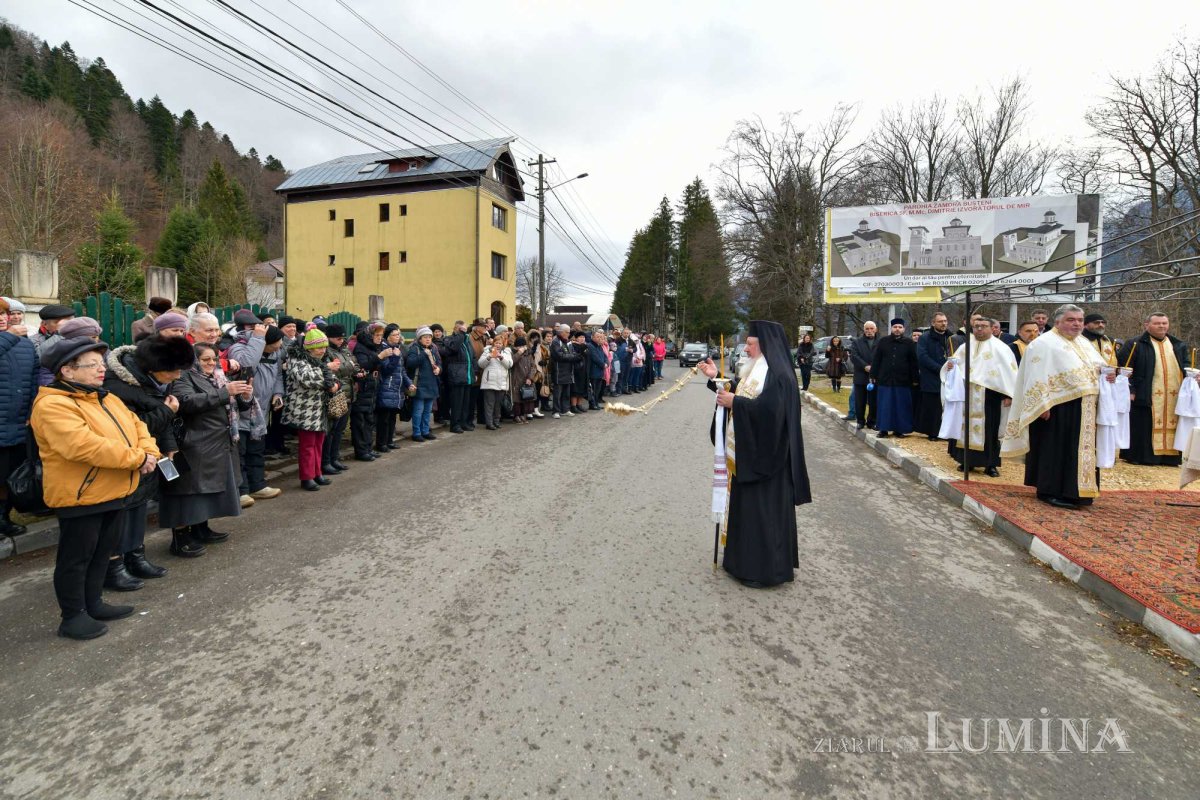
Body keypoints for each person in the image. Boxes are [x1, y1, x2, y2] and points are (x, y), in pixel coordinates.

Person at [32, 336, 159, 639]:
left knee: (102, 553)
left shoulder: (105, 397)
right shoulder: (52, 404)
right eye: (92, 365)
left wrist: (149, 452)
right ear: (67, 371)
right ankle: (72, 616)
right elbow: (84, 447)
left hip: (114, 490)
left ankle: (94, 603)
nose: (101, 370)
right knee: (75, 559)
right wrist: (137, 458)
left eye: (101, 363)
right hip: (81, 495)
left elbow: (138, 426)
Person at [700, 320, 812, 588]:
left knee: (764, 516)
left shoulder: (780, 375)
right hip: (750, 456)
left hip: (768, 461)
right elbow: (741, 390)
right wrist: (717, 378)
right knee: (745, 512)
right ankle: (741, 562)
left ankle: (764, 571)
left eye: (750, 344)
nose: (746, 349)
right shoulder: (758, 369)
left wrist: (735, 402)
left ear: (765, 345)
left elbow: (770, 414)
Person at [102, 334, 194, 588]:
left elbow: (160, 417)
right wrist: (167, 411)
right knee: (122, 512)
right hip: (127, 457)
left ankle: (136, 555)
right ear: (155, 368)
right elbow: (132, 428)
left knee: (138, 507)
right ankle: (114, 565)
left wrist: (169, 447)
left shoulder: (151, 381)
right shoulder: (118, 386)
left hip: (150, 455)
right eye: (174, 371)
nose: (177, 377)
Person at [1001, 304, 1110, 509]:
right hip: (1055, 407)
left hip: (1084, 406)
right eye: (1071, 320)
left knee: (1076, 451)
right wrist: (1041, 405)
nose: (1076, 324)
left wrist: (1110, 373)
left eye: (1079, 320)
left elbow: (1097, 366)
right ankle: (1049, 490)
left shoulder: (1084, 342)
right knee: (1055, 448)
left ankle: (1078, 492)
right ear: (1058, 321)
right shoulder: (1044, 344)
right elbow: (1035, 376)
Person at [161, 342, 250, 555]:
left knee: (207, 492)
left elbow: (232, 405)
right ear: (194, 360)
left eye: (214, 359)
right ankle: (180, 539)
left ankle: (201, 528)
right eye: (205, 359)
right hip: (195, 443)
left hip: (215, 442)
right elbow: (186, 402)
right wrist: (224, 392)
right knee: (188, 493)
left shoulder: (216, 376)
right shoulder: (183, 376)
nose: (211, 363)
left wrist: (245, 395)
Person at [940, 317, 1018, 477]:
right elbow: (954, 367)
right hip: (966, 395)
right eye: (976, 327)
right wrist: (949, 367)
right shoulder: (964, 347)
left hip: (990, 397)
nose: (979, 329)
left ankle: (991, 464)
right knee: (964, 428)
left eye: (983, 326)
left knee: (990, 430)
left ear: (992, 328)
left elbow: (1009, 373)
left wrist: (1008, 393)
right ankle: (966, 461)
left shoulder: (1001, 348)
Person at [226, 311, 286, 501]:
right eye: (277, 343)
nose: (280, 346)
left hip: (261, 409)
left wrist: (278, 393)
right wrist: (258, 340)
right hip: (242, 408)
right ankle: (241, 490)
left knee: (256, 449)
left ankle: (258, 485)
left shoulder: (274, 353)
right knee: (241, 452)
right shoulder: (239, 348)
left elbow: (277, 375)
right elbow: (246, 365)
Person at [1117, 312, 1189, 466]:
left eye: (1164, 323)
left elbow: (1187, 366)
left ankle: (1170, 458)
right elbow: (1124, 368)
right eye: (1157, 323)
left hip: (1174, 395)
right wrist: (1131, 390)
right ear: (1147, 325)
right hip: (1145, 393)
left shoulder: (1178, 345)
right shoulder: (1134, 343)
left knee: (1174, 422)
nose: (1162, 326)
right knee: (1143, 425)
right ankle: (1142, 457)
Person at [283, 327, 341, 490]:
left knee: (318, 442)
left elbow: (336, 378)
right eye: (319, 347)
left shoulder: (320, 360)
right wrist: (329, 376)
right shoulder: (297, 359)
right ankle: (306, 477)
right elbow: (307, 379)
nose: (322, 350)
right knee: (307, 445)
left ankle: (317, 473)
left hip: (320, 408)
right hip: (305, 409)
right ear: (309, 348)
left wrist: (335, 384)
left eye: (324, 346)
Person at [0, 297, 38, 538]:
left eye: (5, 313)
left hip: (18, 422)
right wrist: (10, 336)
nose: (4, 318)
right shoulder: (11, 338)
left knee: (9, 475)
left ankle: (4, 518)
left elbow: (33, 378)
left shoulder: (24, 344)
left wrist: (32, 408)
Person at [870, 319, 918, 438]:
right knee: (884, 406)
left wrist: (915, 378)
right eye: (895, 327)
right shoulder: (883, 341)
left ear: (904, 329)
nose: (897, 329)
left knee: (901, 406)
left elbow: (913, 362)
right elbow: (877, 359)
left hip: (903, 380)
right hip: (885, 379)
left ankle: (899, 429)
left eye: (900, 327)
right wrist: (873, 374)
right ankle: (883, 429)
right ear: (891, 328)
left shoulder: (909, 343)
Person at [322, 324, 359, 470]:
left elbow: (355, 365)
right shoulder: (326, 351)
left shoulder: (344, 349)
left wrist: (347, 366)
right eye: (338, 337)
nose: (341, 340)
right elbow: (333, 371)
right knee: (330, 430)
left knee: (340, 430)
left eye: (343, 337)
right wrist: (348, 366)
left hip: (348, 393)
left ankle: (334, 458)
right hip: (336, 394)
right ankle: (326, 461)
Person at [351, 322, 387, 459]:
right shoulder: (361, 348)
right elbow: (363, 366)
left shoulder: (374, 347)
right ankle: (361, 451)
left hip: (372, 387)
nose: (380, 338)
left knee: (369, 420)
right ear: (369, 335)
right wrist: (379, 357)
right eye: (377, 335)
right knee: (360, 421)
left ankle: (368, 448)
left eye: (381, 335)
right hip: (363, 388)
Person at [916, 312, 953, 440]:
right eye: (940, 321)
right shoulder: (925, 338)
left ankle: (946, 432)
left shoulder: (951, 337)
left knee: (947, 407)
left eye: (945, 321)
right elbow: (922, 357)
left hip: (949, 378)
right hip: (931, 377)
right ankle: (933, 432)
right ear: (933, 323)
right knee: (932, 407)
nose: (943, 323)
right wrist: (940, 369)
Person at [375, 326, 412, 451]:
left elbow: (401, 370)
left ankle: (389, 441)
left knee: (392, 418)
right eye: (395, 334)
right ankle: (381, 443)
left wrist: (408, 383)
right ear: (388, 336)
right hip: (387, 387)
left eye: (398, 334)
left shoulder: (397, 349)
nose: (398, 337)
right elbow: (386, 370)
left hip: (396, 388)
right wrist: (395, 357)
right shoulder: (385, 349)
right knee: (384, 418)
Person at [406, 326, 442, 440]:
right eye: (425, 337)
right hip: (420, 384)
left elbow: (439, 363)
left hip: (431, 383)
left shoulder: (433, 349)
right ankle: (416, 433)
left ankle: (425, 431)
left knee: (427, 411)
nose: (428, 339)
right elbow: (410, 363)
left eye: (429, 337)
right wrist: (423, 354)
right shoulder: (414, 349)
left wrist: (439, 369)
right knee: (418, 411)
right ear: (419, 339)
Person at [442, 320, 476, 434]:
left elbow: (473, 357)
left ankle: (463, 422)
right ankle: (455, 424)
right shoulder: (449, 339)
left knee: (465, 402)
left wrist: (474, 372)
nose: (465, 332)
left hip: (467, 375)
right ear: (456, 329)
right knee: (457, 402)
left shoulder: (466, 341)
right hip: (457, 375)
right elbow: (454, 348)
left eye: (465, 329)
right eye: (462, 329)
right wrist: (460, 335)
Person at [478, 332, 513, 430]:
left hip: (501, 382)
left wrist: (501, 358)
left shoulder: (506, 352)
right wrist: (489, 357)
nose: (498, 345)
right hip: (489, 381)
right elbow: (481, 364)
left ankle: (496, 421)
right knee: (489, 404)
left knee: (498, 404)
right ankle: (489, 423)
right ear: (493, 343)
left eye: (500, 343)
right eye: (496, 343)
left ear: (503, 344)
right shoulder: (487, 351)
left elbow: (509, 365)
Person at [850, 322, 878, 430]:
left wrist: (874, 367)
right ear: (864, 330)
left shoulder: (880, 342)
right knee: (860, 401)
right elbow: (854, 356)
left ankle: (872, 421)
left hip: (875, 376)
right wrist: (865, 366)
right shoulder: (857, 342)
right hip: (861, 375)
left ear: (875, 330)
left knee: (874, 401)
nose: (869, 331)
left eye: (871, 328)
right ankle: (860, 421)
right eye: (867, 329)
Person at [550, 324, 581, 418]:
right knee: (557, 393)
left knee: (566, 393)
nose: (568, 334)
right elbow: (559, 356)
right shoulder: (555, 341)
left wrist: (576, 356)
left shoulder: (568, 342)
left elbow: (573, 353)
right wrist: (573, 357)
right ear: (561, 332)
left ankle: (565, 409)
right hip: (559, 371)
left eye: (569, 332)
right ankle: (556, 411)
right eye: (567, 332)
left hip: (568, 371)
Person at [569, 331, 590, 413]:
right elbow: (575, 357)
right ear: (576, 338)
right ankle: (573, 406)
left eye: (583, 337)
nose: (582, 339)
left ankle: (579, 404)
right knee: (575, 389)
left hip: (585, 370)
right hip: (576, 370)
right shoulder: (573, 346)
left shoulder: (585, 346)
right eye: (580, 337)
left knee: (582, 388)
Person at [587, 330, 609, 409]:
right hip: (593, 371)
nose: (599, 338)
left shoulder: (599, 346)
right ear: (592, 337)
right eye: (597, 337)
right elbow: (595, 357)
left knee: (598, 389)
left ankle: (596, 403)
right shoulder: (590, 346)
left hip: (600, 371)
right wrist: (603, 364)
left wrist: (607, 363)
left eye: (600, 337)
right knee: (593, 389)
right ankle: (592, 404)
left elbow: (605, 356)